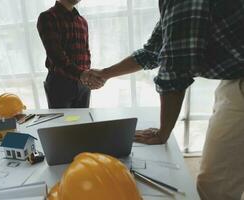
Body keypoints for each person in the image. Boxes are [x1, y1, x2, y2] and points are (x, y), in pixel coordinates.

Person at [85, 0, 244, 199]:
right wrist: (105, 73)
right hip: (235, 79)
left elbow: (175, 68)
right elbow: (152, 52)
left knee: (217, 187)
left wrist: (162, 133)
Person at [37, 0, 103, 108]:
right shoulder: (48, 17)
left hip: (83, 83)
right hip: (60, 83)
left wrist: (88, 76)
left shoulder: (82, 21)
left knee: (84, 123)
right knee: (63, 124)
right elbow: (56, 55)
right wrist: (83, 74)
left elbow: (86, 53)